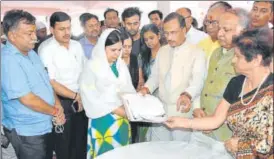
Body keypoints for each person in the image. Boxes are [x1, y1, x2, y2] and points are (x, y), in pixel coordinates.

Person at [165, 29, 273, 159]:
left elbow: (268, 144)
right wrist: (182, 122)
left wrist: (241, 145)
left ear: (256, 60)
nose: (233, 60)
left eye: (238, 56)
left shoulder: (270, 90)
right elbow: (216, 119)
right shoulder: (237, 83)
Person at [1, 9, 65, 159]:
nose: (34, 37)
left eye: (34, 32)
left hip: (45, 124)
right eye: (29, 33)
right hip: (27, 132)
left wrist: (58, 105)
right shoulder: (7, 60)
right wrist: (55, 112)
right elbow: (27, 98)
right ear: (12, 36)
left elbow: (46, 83)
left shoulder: (31, 53)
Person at [139, 12, 207, 142]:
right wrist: (146, 89)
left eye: (173, 32)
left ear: (184, 30)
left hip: (182, 111)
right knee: (160, 149)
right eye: (166, 33)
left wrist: (186, 95)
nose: (169, 37)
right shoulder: (163, 50)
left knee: (181, 150)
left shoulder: (197, 52)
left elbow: (198, 80)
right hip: (161, 111)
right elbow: (155, 76)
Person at [195, 8, 250, 142]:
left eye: (226, 30)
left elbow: (248, 101)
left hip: (228, 136)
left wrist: (216, 120)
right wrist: (197, 108)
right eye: (219, 28)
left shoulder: (248, 59)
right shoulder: (216, 53)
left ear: (243, 32)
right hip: (204, 129)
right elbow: (205, 85)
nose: (219, 34)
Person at [79, 29, 136, 158]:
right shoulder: (92, 66)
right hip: (103, 119)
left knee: (122, 153)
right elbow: (90, 96)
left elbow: (128, 89)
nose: (117, 54)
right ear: (102, 47)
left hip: (123, 119)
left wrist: (133, 105)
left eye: (119, 50)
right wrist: (116, 109)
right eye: (113, 50)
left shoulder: (120, 65)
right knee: (105, 153)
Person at [38, 12, 86, 159]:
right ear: (52, 30)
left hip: (81, 100)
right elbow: (50, 82)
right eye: (61, 29)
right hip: (61, 102)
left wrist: (83, 95)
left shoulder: (77, 45)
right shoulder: (46, 50)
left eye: (68, 28)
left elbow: (85, 71)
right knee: (63, 145)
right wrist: (76, 96)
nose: (67, 32)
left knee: (80, 143)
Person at [136, 24, 162, 142]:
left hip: (163, 96)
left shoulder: (167, 53)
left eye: (151, 38)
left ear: (159, 36)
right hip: (147, 96)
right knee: (146, 136)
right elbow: (141, 80)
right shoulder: (142, 56)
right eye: (146, 39)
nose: (149, 42)